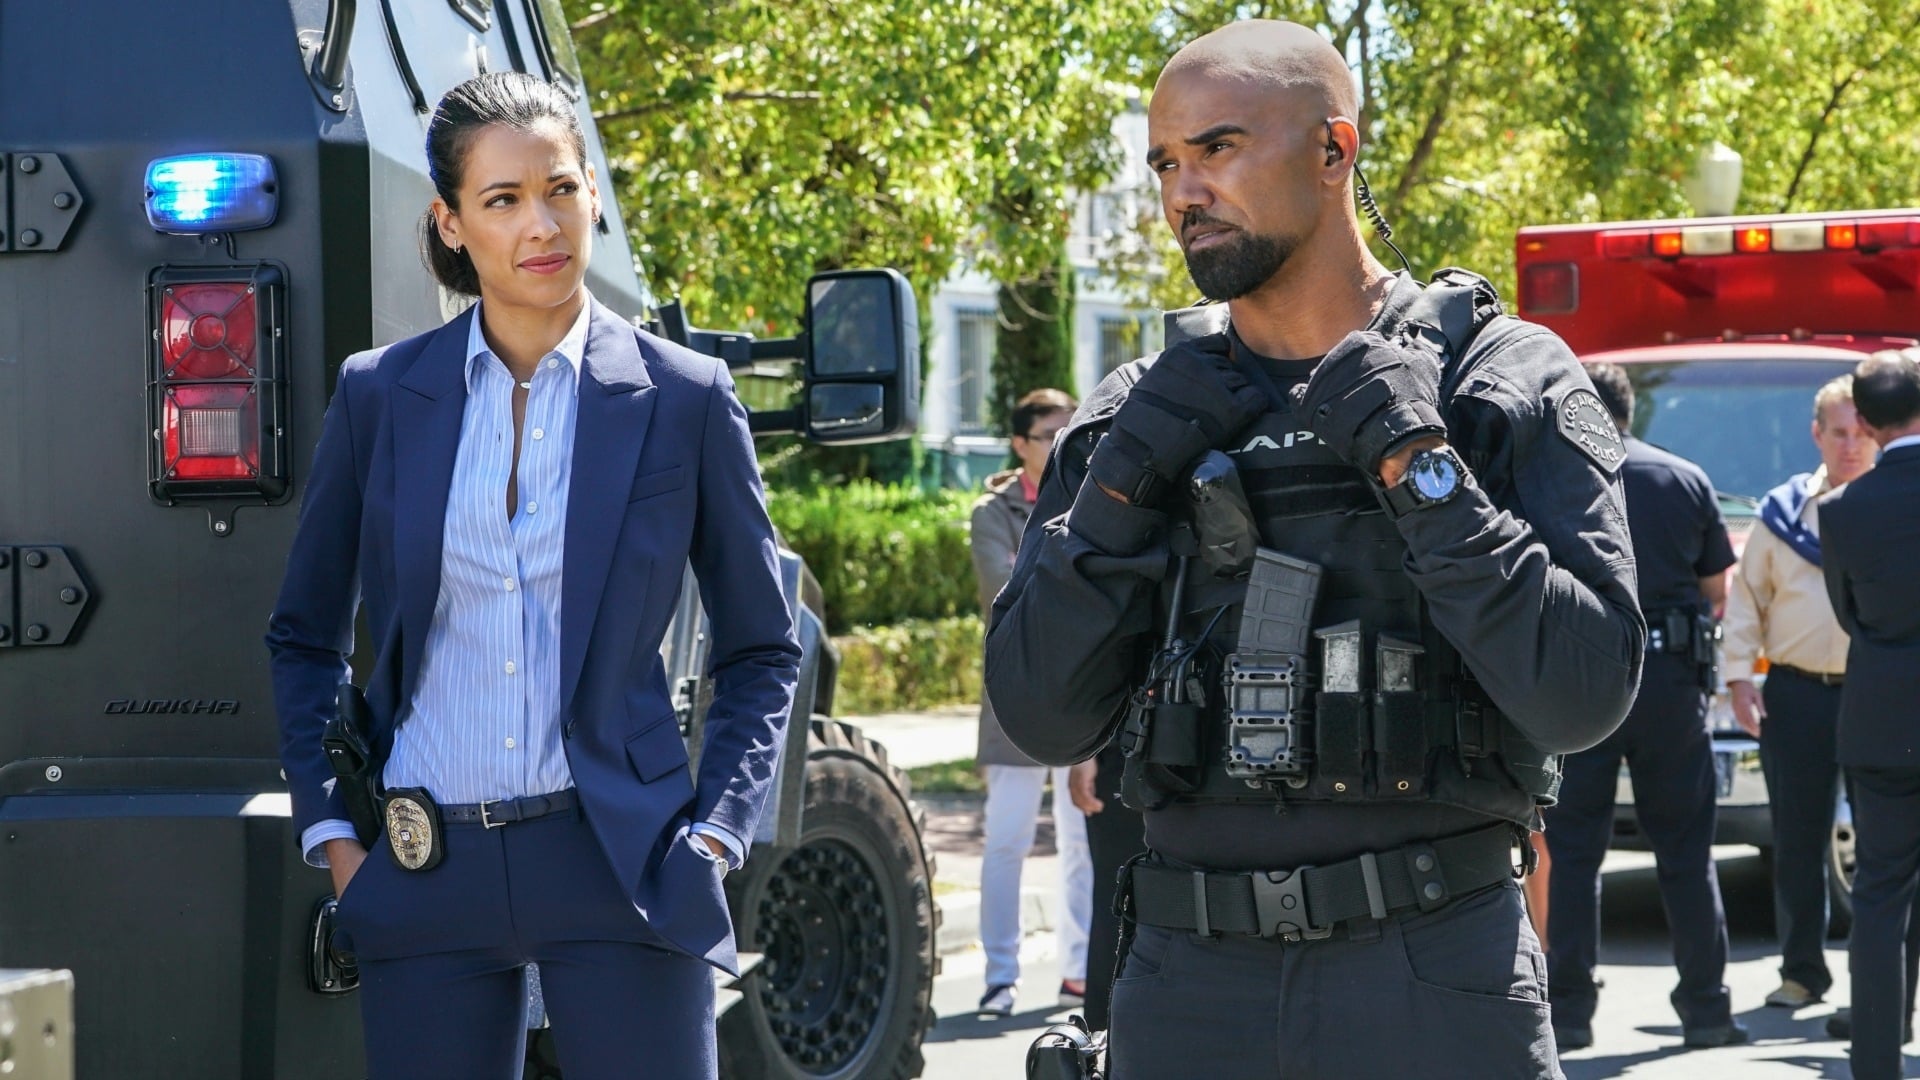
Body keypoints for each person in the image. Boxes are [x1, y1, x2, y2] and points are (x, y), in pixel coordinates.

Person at [984, 20, 1642, 1078]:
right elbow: (1039, 714)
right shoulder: (1135, 417)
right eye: (1165, 163)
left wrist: (1420, 466)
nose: (1184, 191)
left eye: (1218, 148)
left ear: (1335, 149)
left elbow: (1585, 693)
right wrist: (1117, 491)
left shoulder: (1496, 381)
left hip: (1431, 974)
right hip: (1188, 988)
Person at [265, 73, 800, 1079]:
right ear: (452, 222)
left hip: (624, 861)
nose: (541, 225)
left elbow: (763, 646)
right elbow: (304, 635)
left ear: (593, 192)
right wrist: (338, 838)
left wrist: (715, 837)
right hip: (423, 866)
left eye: (559, 189)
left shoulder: (685, 396)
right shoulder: (379, 394)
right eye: (502, 200)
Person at [1542, 362, 1742, 1050]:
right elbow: (1717, 591)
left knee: (1574, 854)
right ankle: (1707, 1012)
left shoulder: (1559, 478)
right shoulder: (1683, 478)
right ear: (1630, 410)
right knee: (1686, 850)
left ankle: (1569, 1014)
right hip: (1669, 683)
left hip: (1585, 679)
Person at [1722, 374, 1876, 1011]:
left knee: (1882, 845)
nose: (1850, 444)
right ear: (1817, 435)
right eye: (1838, 432)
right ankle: (1802, 973)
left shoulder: (1893, 505)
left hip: (1875, 695)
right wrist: (1738, 677)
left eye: (1861, 432)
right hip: (1797, 694)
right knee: (1797, 841)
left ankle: (1877, 986)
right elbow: (1746, 601)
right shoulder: (1782, 514)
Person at [970, 389, 1094, 1017]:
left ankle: (1079, 973)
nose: (1068, 442)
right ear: (1020, 444)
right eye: (1052, 434)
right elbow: (1005, 586)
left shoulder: (1096, 498)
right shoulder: (992, 512)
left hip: (1085, 693)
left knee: (1080, 844)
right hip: (1014, 695)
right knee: (1006, 841)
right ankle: (1000, 975)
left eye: (1075, 429)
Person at [1818, 348, 1920, 1080]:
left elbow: (1848, 615)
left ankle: (1876, 1063)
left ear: (1864, 418)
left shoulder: (1842, 510)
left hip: (1882, 719)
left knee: (1880, 895)